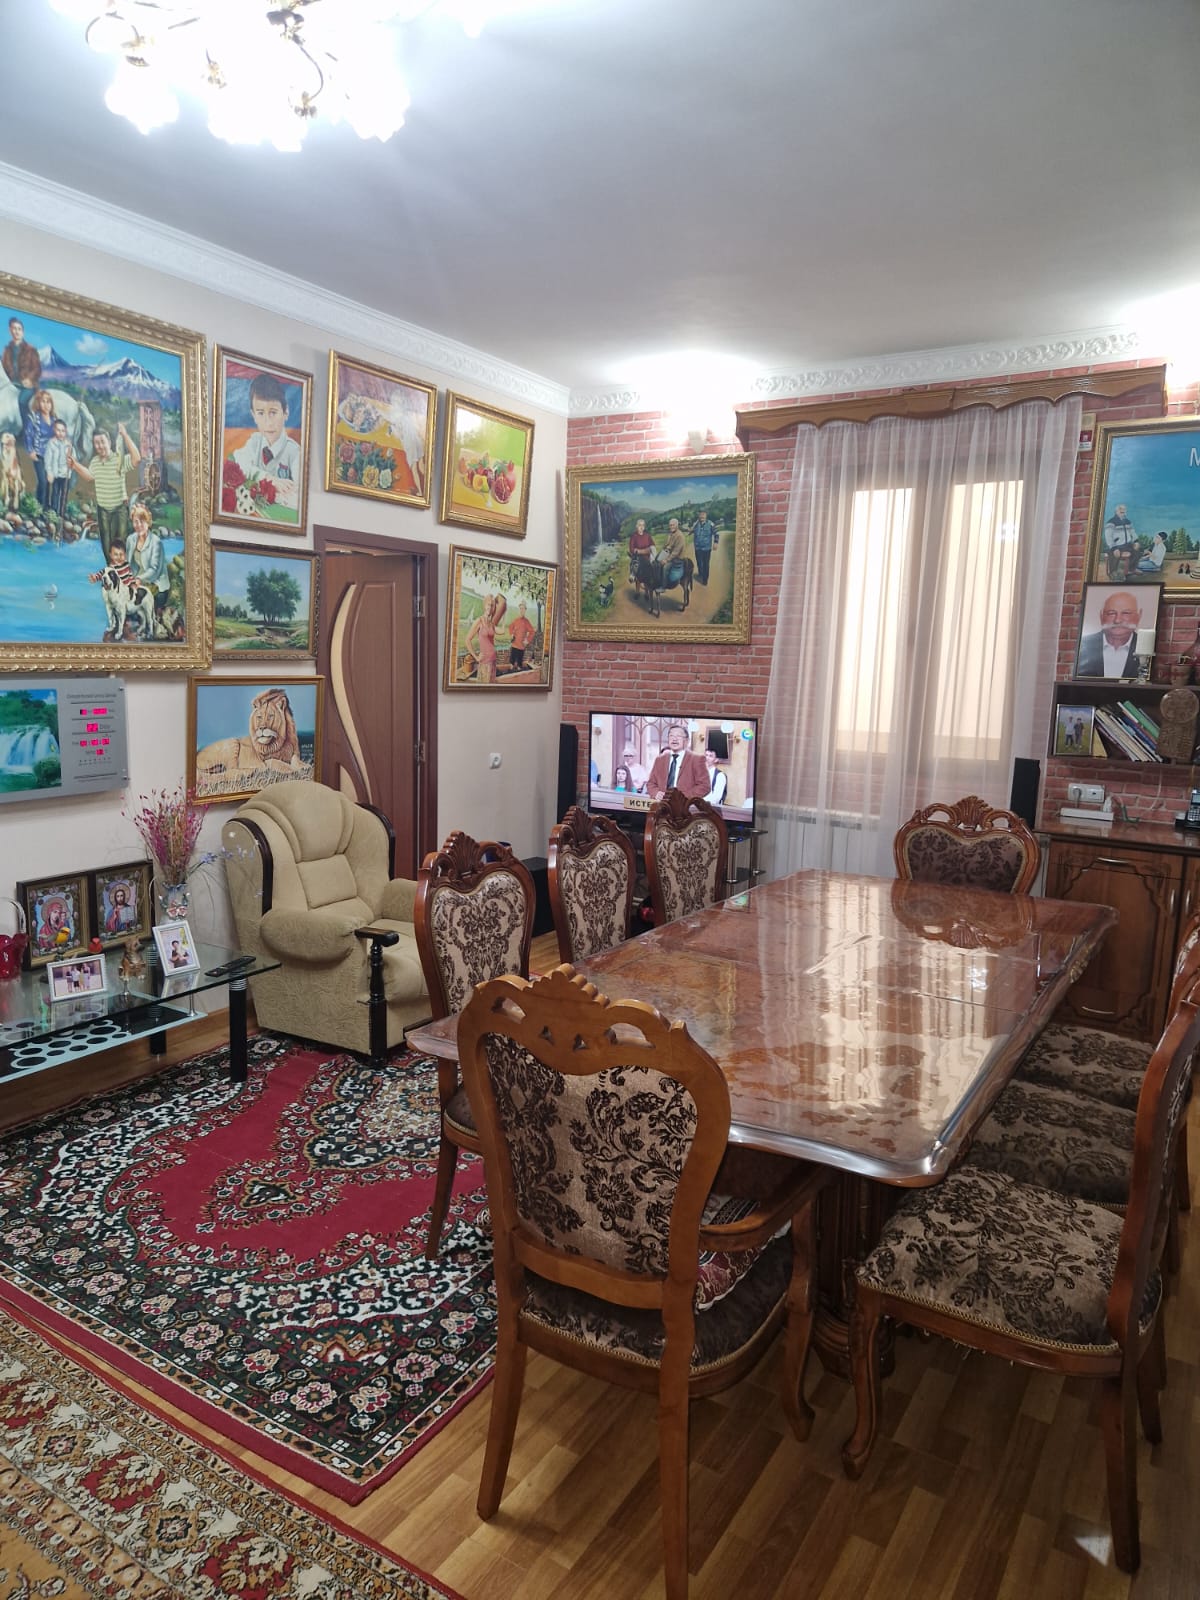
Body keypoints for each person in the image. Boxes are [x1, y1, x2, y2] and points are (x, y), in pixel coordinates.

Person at [68, 422, 141, 560]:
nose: (100, 446)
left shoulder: (118, 458)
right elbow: (89, 476)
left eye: (102, 442)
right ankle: (111, 572)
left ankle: (121, 572)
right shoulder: (95, 462)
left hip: (119, 510)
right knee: (107, 549)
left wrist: (125, 435)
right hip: (102, 512)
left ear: (109, 442)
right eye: (96, 443)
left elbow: (137, 459)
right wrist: (75, 465)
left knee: (120, 547)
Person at [231, 372, 300, 504]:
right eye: (261, 413)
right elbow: (240, 462)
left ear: (286, 412)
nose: (268, 422)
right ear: (253, 415)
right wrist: (270, 479)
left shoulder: (295, 452)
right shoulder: (255, 442)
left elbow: (298, 495)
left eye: (273, 412)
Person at [1076, 590, 1142, 678]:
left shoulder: (1144, 647)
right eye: (1111, 613)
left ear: (1138, 616)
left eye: (1126, 613)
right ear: (1101, 616)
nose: (1117, 620)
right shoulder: (1084, 645)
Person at [128, 501, 169, 624]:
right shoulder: (130, 539)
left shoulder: (156, 542)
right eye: (136, 521)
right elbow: (128, 564)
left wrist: (139, 579)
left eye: (142, 521)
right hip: (137, 584)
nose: (139, 525)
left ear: (148, 522)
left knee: (140, 613)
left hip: (156, 586)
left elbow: (154, 570)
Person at [647, 723, 709, 799]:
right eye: (671, 736)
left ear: (686, 740)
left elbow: (704, 786)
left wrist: (683, 798)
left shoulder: (697, 759)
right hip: (662, 804)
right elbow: (651, 783)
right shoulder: (660, 760)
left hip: (685, 805)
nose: (674, 739)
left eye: (678, 736)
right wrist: (656, 793)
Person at [2, 316, 42, 422]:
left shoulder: (30, 349)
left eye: (19, 329)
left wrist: (29, 379)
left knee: (21, 401)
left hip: (27, 386)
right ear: (10, 330)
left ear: (23, 332)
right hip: (11, 385)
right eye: (14, 328)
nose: (17, 331)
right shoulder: (7, 350)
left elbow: (37, 368)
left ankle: (27, 427)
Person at [22, 388, 56, 510]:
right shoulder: (34, 418)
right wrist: (30, 450)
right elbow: (28, 435)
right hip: (39, 454)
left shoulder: (54, 420)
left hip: (50, 456)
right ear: (38, 403)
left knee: (49, 481)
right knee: (42, 481)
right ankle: (39, 505)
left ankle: (46, 506)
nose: (46, 405)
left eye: (48, 402)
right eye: (43, 401)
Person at [464, 593, 506, 684]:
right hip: (484, 662)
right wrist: (476, 657)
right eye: (488, 604)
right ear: (484, 605)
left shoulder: (491, 624)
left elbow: (502, 631)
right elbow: (467, 640)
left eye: (492, 605)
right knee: (483, 687)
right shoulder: (479, 621)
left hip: (493, 660)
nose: (490, 607)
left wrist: (503, 616)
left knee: (491, 687)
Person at [44, 417, 72, 518]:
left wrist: (71, 460)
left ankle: (62, 512)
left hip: (65, 474)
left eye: (63, 431)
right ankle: (54, 511)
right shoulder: (51, 443)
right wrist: (49, 472)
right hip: (55, 474)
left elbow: (74, 459)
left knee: (64, 494)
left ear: (66, 432)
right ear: (54, 430)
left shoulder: (68, 444)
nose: (60, 433)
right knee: (55, 493)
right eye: (58, 430)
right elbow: (48, 460)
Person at [1103, 503, 1138, 579]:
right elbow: (1108, 537)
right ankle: (1113, 572)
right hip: (1116, 545)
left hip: (1127, 544)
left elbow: (1133, 532)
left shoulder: (1128, 522)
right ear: (1116, 512)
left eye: (1125, 512)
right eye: (1122, 512)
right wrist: (1114, 548)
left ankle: (1131, 569)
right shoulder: (1111, 522)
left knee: (1137, 550)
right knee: (1114, 554)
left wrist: (1136, 541)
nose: (1124, 514)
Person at [690, 509, 719, 585]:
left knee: (706, 564)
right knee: (699, 563)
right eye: (700, 514)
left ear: (706, 515)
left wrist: (716, 542)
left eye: (703, 514)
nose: (702, 516)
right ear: (698, 516)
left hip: (706, 548)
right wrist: (692, 528)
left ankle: (705, 580)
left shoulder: (710, 524)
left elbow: (716, 533)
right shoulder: (696, 524)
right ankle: (701, 573)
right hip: (697, 548)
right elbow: (690, 531)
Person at [505, 600, 536, 673]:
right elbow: (510, 627)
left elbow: (532, 632)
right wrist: (512, 634)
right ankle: (510, 674)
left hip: (521, 646)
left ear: (525, 610)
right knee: (512, 663)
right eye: (520, 609)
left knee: (519, 665)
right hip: (514, 645)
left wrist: (527, 640)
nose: (521, 610)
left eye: (523, 609)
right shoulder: (516, 620)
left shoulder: (526, 622)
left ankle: (519, 676)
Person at [655, 517, 687, 583]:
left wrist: (666, 560)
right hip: (669, 554)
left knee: (665, 567)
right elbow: (665, 546)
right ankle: (657, 579)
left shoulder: (680, 536)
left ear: (677, 525)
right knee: (656, 561)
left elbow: (676, 552)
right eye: (670, 525)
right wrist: (668, 540)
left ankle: (663, 585)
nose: (671, 527)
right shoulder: (671, 534)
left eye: (673, 525)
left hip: (677, 558)